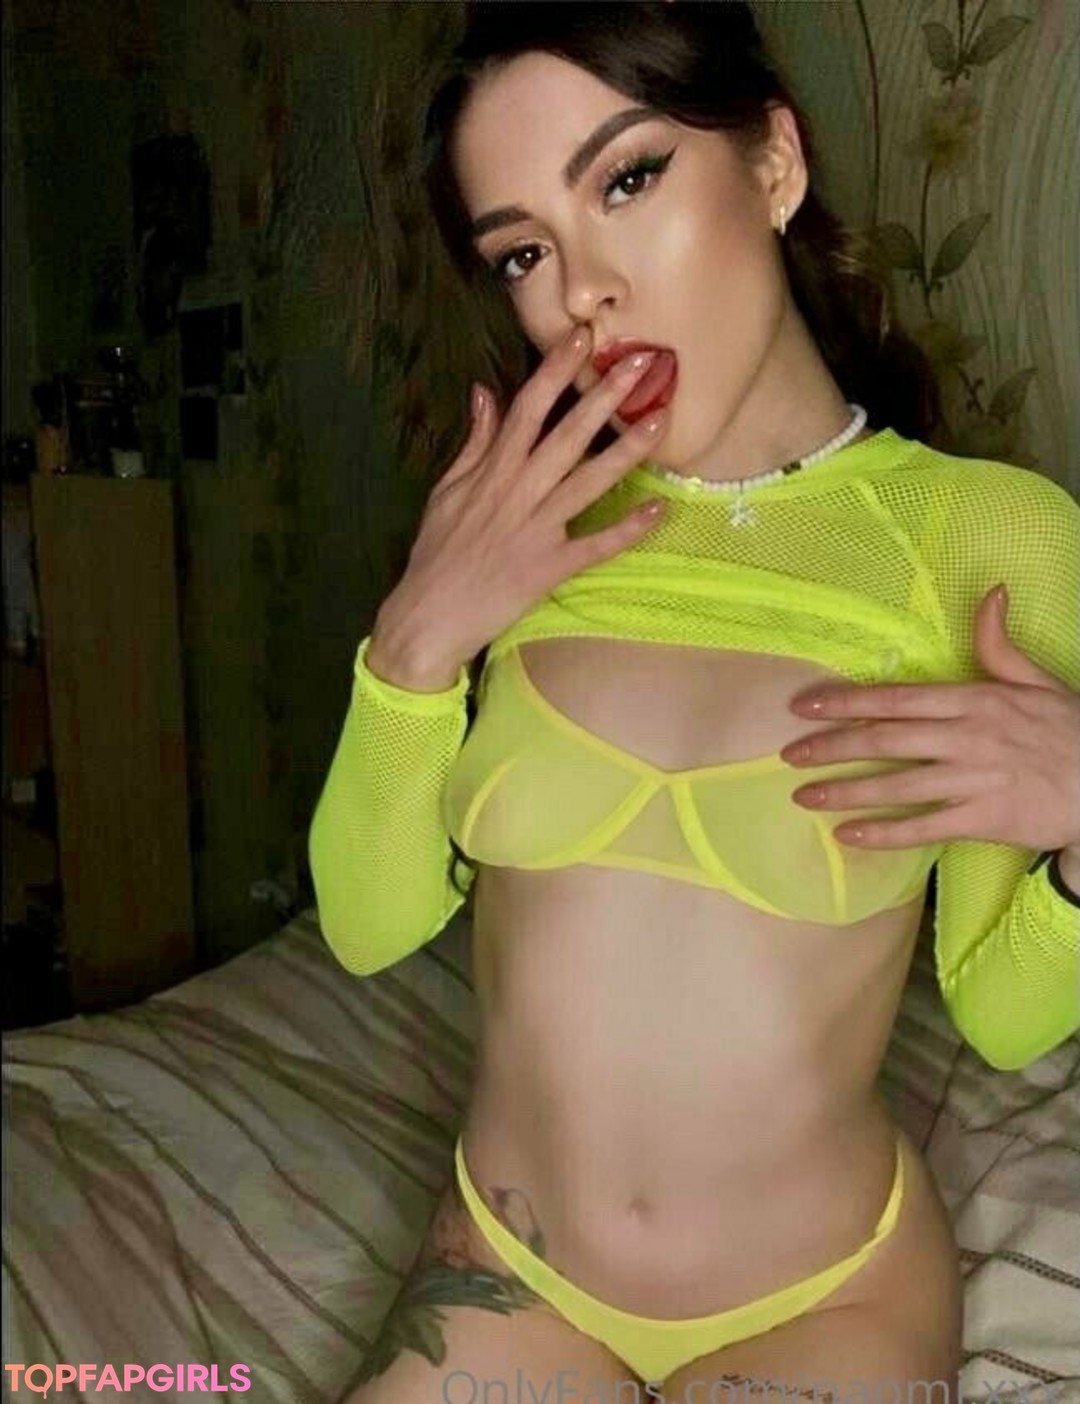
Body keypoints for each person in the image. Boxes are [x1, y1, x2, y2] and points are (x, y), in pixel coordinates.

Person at [309, 4, 1080, 1399]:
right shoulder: (522, 525)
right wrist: (409, 650)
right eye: (525, 252)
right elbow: (369, 927)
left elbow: (1005, 1015)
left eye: (627, 179)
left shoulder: (983, 538)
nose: (582, 293)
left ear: (773, 163)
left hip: (826, 1298)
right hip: (511, 1272)